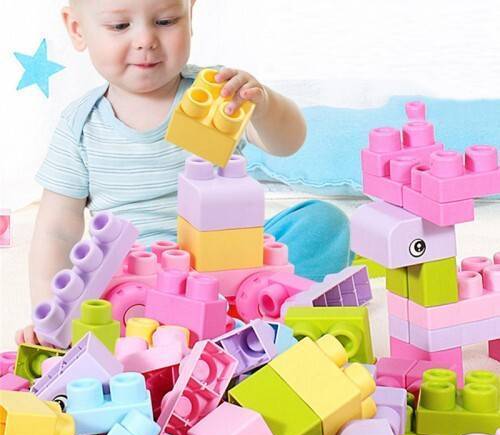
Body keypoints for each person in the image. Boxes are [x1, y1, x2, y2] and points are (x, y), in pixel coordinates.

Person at [16, 0, 350, 345]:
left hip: (233, 262)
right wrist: (50, 316)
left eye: (165, 21)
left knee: (323, 222)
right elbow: (56, 232)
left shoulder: (219, 95)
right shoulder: (80, 125)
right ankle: (182, 336)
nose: (146, 40)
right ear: (78, 29)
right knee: (97, 294)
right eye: (120, 26)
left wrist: (263, 105)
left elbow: (287, 143)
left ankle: (277, 312)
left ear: (190, 14)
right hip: (142, 281)